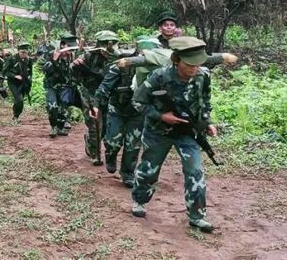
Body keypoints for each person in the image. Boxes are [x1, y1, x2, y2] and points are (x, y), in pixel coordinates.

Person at [129, 36, 218, 233]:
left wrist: (207, 122)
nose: (194, 69)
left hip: (187, 131)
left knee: (195, 171)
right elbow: (137, 102)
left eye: (197, 64)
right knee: (149, 169)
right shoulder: (159, 76)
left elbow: (205, 101)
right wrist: (161, 116)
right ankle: (139, 201)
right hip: (158, 131)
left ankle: (197, 216)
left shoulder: (203, 75)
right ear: (176, 60)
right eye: (189, 65)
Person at [95, 37, 171, 187]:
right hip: (117, 108)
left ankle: (128, 173)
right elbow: (104, 87)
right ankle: (110, 155)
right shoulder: (122, 65)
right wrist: (96, 105)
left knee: (133, 145)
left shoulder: (160, 71)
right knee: (113, 141)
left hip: (138, 113)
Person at [72, 30, 120, 166]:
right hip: (90, 93)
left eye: (112, 43)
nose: (108, 46)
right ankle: (95, 154)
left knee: (104, 128)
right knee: (95, 125)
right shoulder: (89, 56)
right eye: (105, 43)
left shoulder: (118, 57)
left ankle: (89, 140)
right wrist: (76, 65)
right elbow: (74, 74)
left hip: (108, 95)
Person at [42, 38, 76, 138]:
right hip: (51, 86)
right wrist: (54, 60)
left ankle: (60, 127)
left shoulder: (71, 57)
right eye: (69, 47)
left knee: (63, 107)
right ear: (62, 46)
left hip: (64, 86)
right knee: (52, 106)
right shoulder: (52, 54)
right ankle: (54, 127)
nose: (70, 50)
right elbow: (46, 70)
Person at [2, 42, 33, 122]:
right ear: (18, 51)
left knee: (20, 101)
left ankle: (16, 115)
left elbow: (30, 72)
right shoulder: (11, 59)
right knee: (19, 99)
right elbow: (5, 71)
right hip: (13, 82)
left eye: (26, 52)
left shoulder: (29, 60)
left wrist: (29, 79)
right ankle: (15, 116)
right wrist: (15, 76)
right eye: (22, 52)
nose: (24, 54)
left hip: (23, 83)